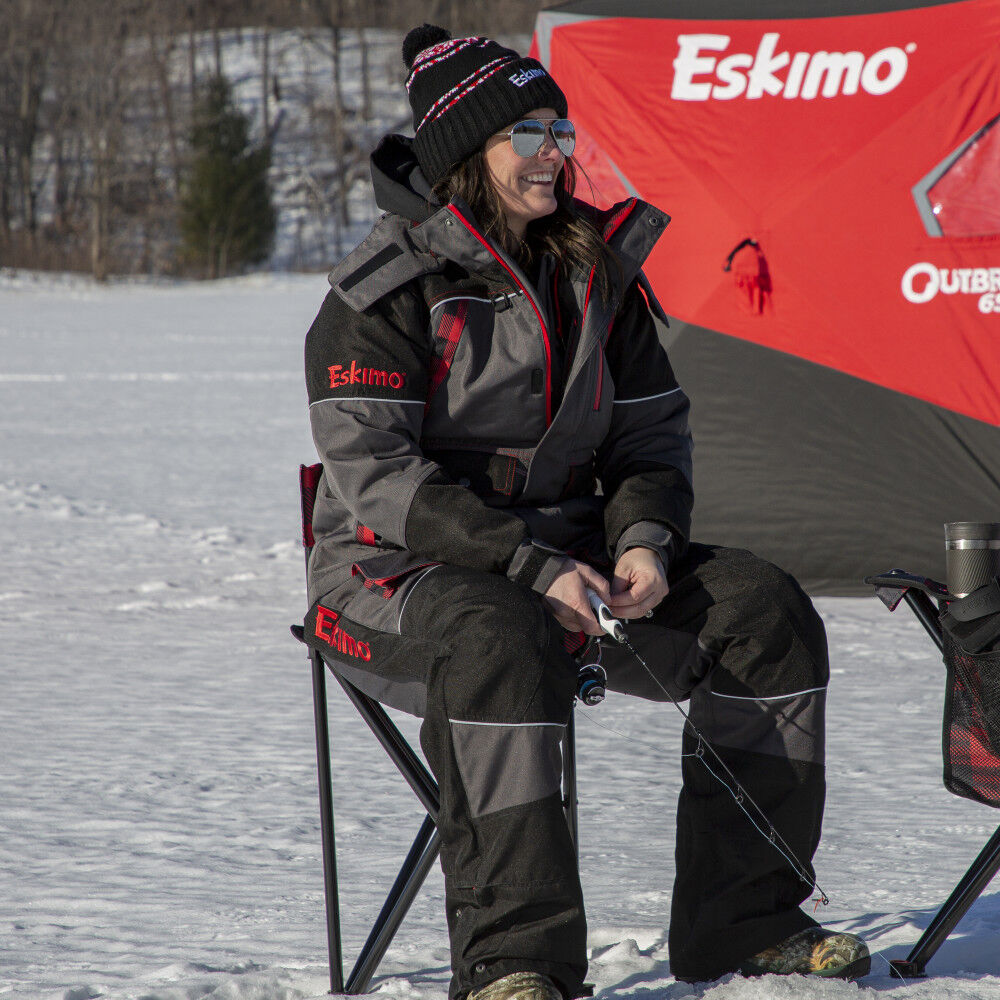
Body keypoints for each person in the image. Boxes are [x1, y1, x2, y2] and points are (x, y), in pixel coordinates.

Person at [303, 23, 869, 1000]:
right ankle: (516, 960)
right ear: (467, 156)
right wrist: (529, 565)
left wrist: (643, 543)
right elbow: (377, 480)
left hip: (572, 567)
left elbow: (649, 443)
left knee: (761, 611)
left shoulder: (598, 276)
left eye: (559, 131)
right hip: (391, 579)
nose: (554, 153)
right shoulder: (381, 296)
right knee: (498, 633)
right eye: (528, 133)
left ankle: (745, 915)